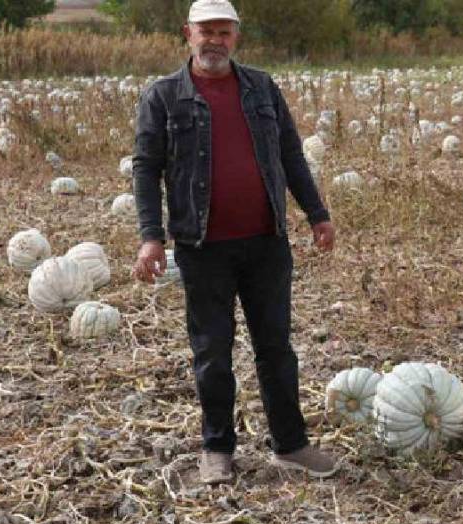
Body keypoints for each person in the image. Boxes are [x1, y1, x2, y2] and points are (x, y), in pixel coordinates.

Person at [130, 0, 338, 485]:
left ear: (235, 37)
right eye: (206, 31)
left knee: (276, 349)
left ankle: (291, 444)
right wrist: (150, 237)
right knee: (212, 351)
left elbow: (290, 153)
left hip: (267, 242)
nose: (215, 41)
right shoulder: (163, 96)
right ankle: (217, 447)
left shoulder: (262, 87)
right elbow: (146, 168)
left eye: (224, 32)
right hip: (202, 247)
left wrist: (317, 213)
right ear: (188, 33)